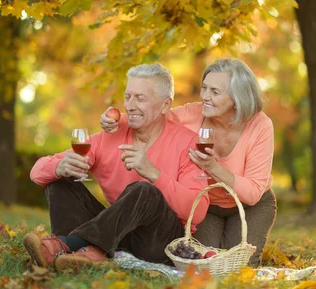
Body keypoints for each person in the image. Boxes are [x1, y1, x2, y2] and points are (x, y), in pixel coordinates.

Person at [23, 64, 209, 272]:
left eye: (140, 98)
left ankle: (67, 245)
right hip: (116, 235)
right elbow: (37, 172)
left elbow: (198, 210)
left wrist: (154, 174)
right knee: (60, 178)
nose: (130, 105)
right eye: (128, 97)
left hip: (160, 242)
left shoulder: (188, 142)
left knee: (144, 190)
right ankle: (82, 253)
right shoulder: (110, 135)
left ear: (165, 106)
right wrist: (59, 167)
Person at [101, 58, 277, 267]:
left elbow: (253, 192)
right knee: (204, 263)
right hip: (207, 205)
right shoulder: (193, 113)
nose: (205, 97)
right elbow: (153, 115)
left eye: (215, 92)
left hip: (250, 206)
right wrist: (117, 119)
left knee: (241, 266)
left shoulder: (260, 126)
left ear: (237, 97)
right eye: (204, 88)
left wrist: (213, 167)